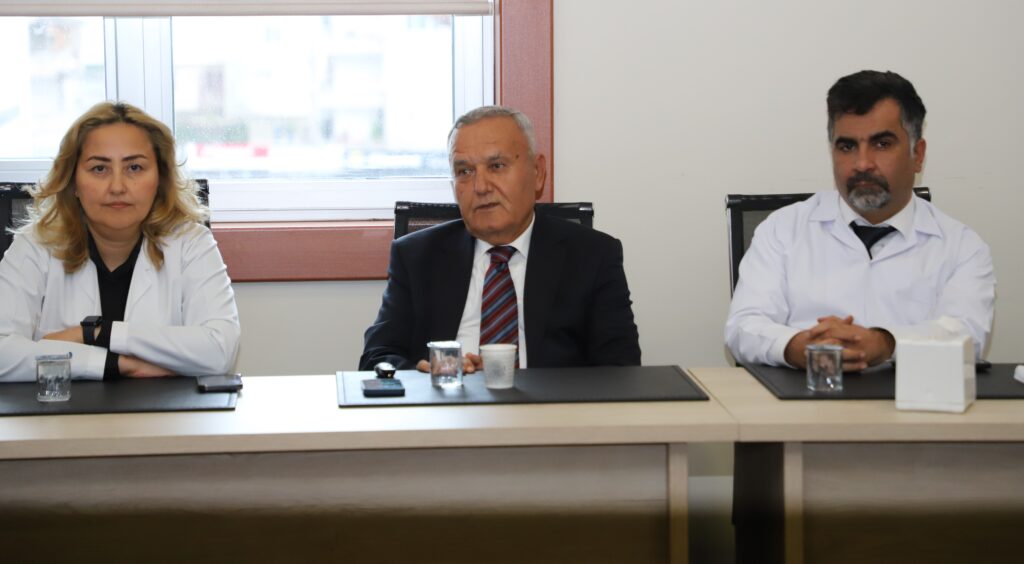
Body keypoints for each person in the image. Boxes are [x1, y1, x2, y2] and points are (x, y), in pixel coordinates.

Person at [725, 70, 995, 371]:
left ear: (917, 154)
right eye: (847, 146)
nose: (862, 163)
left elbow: (967, 336)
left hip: (912, 398)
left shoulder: (961, 246)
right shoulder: (783, 229)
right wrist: (798, 346)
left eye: (882, 144)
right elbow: (744, 327)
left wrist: (886, 343)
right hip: (806, 393)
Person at [360, 106, 640, 372]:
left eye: (496, 166)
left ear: (538, 173)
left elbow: (621, 369)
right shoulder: (416, 257)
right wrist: (422, 376)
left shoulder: (593, 255)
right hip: (448, 402)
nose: (480, 187)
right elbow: (377, 359)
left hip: (552, 405)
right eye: (464, 172)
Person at [0, 101, 240, 382]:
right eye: (99, 168)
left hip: (165, 411)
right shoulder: (35, 246)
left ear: (160, 179)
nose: (117, 186)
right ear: (73, 181)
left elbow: (220, 350)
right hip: (65, 410)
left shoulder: (191, 243)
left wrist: (96, 334)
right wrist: (118, 364)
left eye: (134, 167)